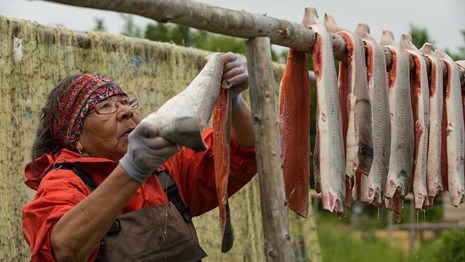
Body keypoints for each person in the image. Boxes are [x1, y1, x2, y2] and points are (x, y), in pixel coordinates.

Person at [22, 52, 257, 262]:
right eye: (104, 107)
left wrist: (232, 101)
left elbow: (244, 150)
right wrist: (133, 169)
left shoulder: (164, 166)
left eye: (125, 102)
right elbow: (63, 250)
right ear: (76, 139)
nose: (126, 112)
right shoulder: (64, 182)